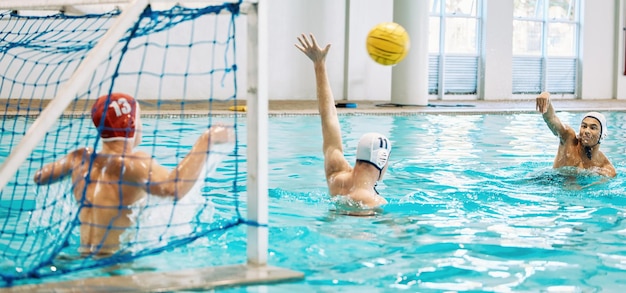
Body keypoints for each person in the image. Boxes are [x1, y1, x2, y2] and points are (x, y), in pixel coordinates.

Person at [33, 92, 234, 256]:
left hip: (79, 256)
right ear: (130, 124)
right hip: (113, 265)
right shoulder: (134, 164)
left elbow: (40, 177)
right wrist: (206, 140)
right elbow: (175, 188)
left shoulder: (79, 158)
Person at [295, 33, 392, 210]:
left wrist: (319, 65)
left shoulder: (336, 175)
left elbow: (329, 118)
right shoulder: (374, 202)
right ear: (381, 160)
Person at [536, 91, 616, 178]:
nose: (587, 131)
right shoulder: (568, 139)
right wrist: (546, 98)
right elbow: (551, 118)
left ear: (602, 135)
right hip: (549, 182)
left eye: (593, 128)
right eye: (584, 126)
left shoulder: (605, 168)